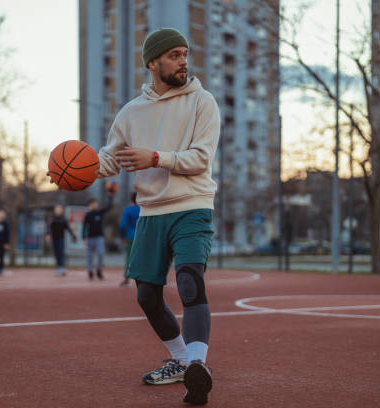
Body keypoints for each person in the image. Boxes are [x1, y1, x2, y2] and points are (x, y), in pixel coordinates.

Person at [94, 28, 219, 405]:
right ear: (153, 62)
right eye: (175, 55)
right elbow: (109, 159)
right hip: (151, 211)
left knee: (189, 282)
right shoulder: (132, 112)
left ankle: (199, 365)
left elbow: (200, 158)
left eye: (185, 54)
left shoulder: (202, 102)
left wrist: (156, 158)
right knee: (147, 295)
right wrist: (77, 172)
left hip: (191, 204)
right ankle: (182, 361)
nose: (184, 61)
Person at [82, 190, 115, 280]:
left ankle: (99, 271)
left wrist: (110, 197)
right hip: (90, 238)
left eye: (95, 203)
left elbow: (109, 207)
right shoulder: (88, 215)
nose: (94, 205)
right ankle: (90, 271)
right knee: (90, 256)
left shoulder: (99, 212)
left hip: (99, 237)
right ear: (89, 205)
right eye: (92, 203)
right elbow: (84, 226)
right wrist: (83, 237)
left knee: (100, 253)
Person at [45, 204, 77, 276]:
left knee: (61, 252)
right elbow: (48, 227)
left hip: (61, 239)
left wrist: (73, 236)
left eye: (59, 209)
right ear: (55, 211)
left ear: (61, 211)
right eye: (57, 209)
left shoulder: (64, 219)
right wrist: (47, 234)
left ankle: (62, 268)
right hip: (54, 238)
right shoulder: (52, 219)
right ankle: (58, 267)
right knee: (56, 253)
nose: (58, 211)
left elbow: (69, 228)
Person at [119, 192, 140, 287]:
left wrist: (122, 236)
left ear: (131, 200)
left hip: (131, 236)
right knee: (145, 257)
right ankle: (145, 279)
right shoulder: (144, 209)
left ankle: (127, 278)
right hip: (143, 236)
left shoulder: (128, 210)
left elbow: (123, 224)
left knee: (129, 257)